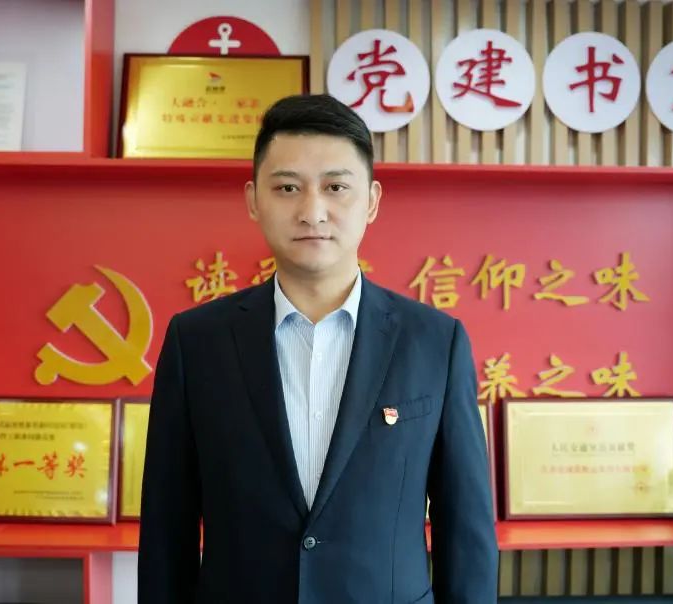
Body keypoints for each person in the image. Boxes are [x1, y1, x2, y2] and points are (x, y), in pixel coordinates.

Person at [138, 93, 497, 603]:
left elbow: (466, 530)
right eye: (287, 187)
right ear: (253, 200)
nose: (312, 211)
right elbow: (166, 527)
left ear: (371, 200)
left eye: (336, 187)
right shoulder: (196, 342)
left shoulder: (435, 342)